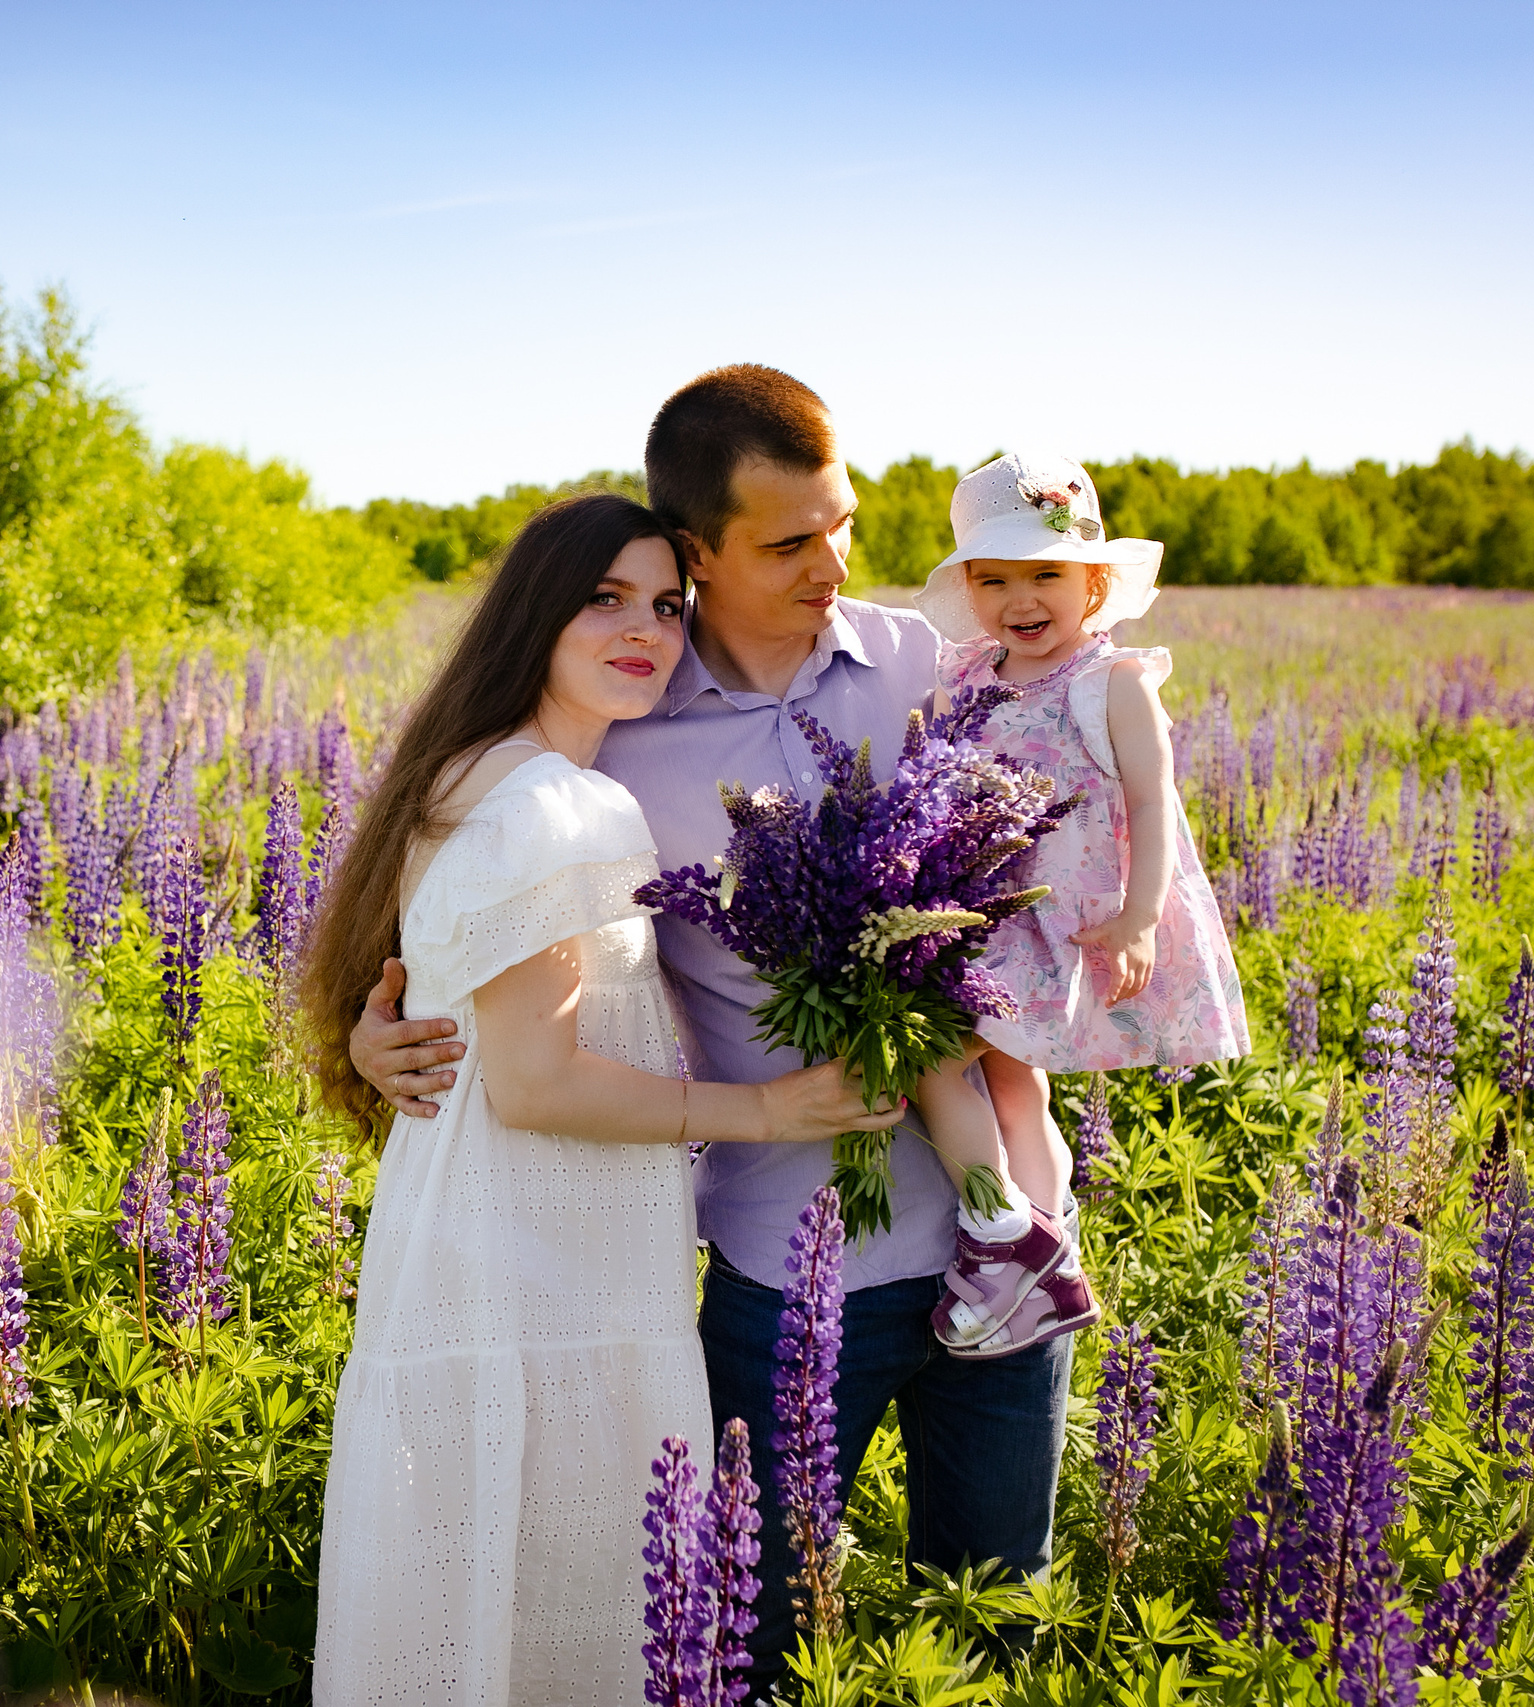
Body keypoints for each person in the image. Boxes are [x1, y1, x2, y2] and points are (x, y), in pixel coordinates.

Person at [348, 367, 1077, 1693]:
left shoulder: (929, 662)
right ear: (702, 550)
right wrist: (373, 1024)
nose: (833, 561)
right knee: (760, 1653)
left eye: (842, 522)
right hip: (781, 1259)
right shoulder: (613, 729)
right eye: (790, 540)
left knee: (992, 1636)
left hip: (1005, 1237)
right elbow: (470, 892)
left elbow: (1077, 841)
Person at [305, 492, 903, 1705]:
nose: (645, 630)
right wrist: (771, 1112)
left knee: (480, 1609)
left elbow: (450, 1015)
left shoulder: (474, 773)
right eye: (604, 600)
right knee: (568, 1615)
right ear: (538, 612)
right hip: (543, 1260)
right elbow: (534, 1082)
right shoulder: (554, 807)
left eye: (668, 607)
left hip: (476, 1243)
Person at [905, 453, 1252, 1356]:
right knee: (1013, 1085)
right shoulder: (970, 674)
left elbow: (1150, 803)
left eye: (1046, 573)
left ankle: (1004, 1233)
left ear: (1094, 580)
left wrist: (1141, 916)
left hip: (1067, 924)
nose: (1022, 598)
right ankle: (1044, 1253)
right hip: (987, 914)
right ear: (969, 588)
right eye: (995, 578)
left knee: (933, 1053)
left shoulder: (1115, 682)